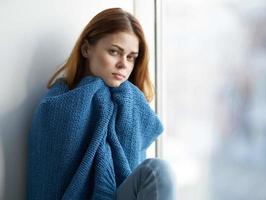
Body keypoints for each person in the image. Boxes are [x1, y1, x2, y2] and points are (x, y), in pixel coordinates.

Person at [27, 7, 176, 200]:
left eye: (131, 57)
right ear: (86, 49)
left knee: (157, 171)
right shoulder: (57, 106)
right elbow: (47, 181)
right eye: (114, 52)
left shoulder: (131, 104)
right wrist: (94, 89)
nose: (124, 64)